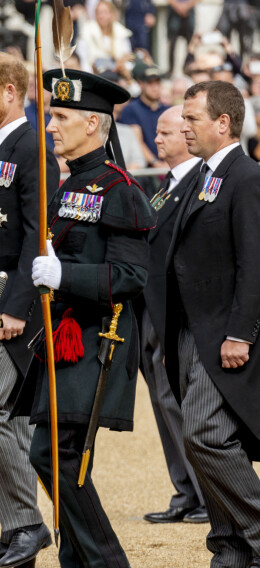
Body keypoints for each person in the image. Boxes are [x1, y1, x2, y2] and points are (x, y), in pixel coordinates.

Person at [29, 68, 156, 568]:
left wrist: (66, 275)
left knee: (56, 458)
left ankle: (110, 567)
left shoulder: (119, 189)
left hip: (96, 340)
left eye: (60, 117)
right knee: (61, 460)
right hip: (62, 340)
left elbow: (131, 275)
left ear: (93, 124)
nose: (51, 126)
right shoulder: (68, 183)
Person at [0, 51, 60, 568]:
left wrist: (20, 306)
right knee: (7, 420)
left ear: (8, 91)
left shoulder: (32, 148)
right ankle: (14, 524)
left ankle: (27, 523)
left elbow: (37, 234)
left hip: (11, 304)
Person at [165, 80, 260, 568]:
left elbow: (254, 262)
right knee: (203, 440)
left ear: (223, 123)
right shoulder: (201, 176)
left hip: (224, 333)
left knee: (205, 435)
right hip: (190, 331)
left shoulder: (246, 177)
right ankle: (230, 551)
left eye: (192, 118)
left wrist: (241, 333)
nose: (184, 126)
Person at [136, 105, 208, 525]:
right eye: (158, 132)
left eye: (166, 133)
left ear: (186, 134)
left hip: (177, 315)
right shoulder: (166, 184)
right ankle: (184, 489)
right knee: (163, 404)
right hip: (152, 309)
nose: (158, 139)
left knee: (180, 404)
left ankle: (203, 493)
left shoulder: (199, 182)